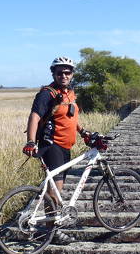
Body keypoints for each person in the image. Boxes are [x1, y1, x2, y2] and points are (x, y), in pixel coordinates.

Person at [22, 56, 90, 244]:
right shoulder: (47, 94)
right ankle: (50, 232)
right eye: (59, 72)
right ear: (53, 73)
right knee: (54, 190)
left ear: (72, 74)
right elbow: (35, 116)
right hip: (52, 145)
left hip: (66, 147)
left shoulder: (69, 93)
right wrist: (30, 141)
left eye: (67, 72)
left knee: (56, 190)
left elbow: (72, 117)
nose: (64, 75)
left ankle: (52, 226)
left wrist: (83, 132)